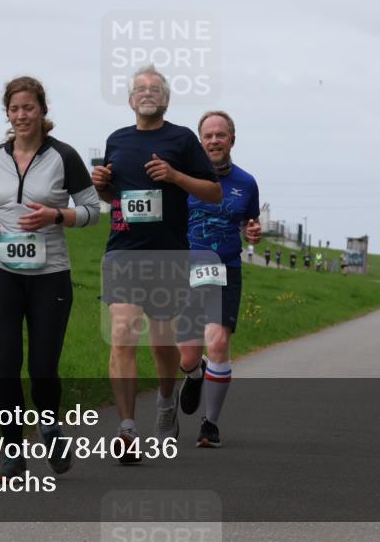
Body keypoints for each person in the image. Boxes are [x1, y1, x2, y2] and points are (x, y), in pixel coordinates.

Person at [0, 76, 101, 480]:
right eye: (14, 109)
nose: (22, 115)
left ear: (43, 110)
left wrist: (56, 215)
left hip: (50, 274)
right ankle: (11, 451)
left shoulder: (64, 156)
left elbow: (93, 211)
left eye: (28, 107)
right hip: (0, 269)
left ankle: (50, 428)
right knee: (6, 362)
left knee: (43, 365)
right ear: (7, 114)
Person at [91, 65, 221, 462]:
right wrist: (102, 186)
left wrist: (175, 175)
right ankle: (127, 429)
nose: (147, 93)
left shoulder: (181, 139)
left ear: (165, 99)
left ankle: (166, 402)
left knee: (163, 342)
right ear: (131, 100)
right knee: (123, 332)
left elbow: (213, 192)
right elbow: (114, 196)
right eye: (140, 89)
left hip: (167, 254)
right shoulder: (116, 140)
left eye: (155, 89)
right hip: (123, 251)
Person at [178, 110, 261, 447]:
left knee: (218, 342)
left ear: (232, 140)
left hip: (226, 268)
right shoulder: (184, 178)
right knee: (186, 357)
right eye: (208, 136)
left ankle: (210, 424)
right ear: (201, 142)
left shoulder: (246, 183)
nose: (214, 141)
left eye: (220, 135)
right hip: (187, 269)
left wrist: (253, 231)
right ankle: (195, 373)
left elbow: (250, 223)